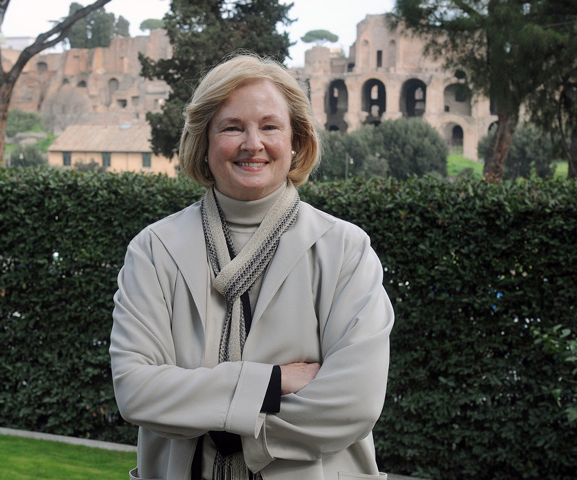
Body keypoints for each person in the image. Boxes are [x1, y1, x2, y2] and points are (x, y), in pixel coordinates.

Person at [110, 53, 394, 480]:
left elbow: (353, 403)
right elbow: (136, 391)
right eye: (231, 127)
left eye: (269, 126)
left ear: (296, 140)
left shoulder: (345, 251)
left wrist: (229, 433)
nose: (252, 143)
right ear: (204, 142)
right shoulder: (154, 250)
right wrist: (272, 383)